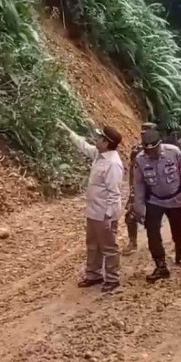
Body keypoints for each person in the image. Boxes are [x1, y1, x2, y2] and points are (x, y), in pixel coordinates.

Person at [59, 121, 124, 293]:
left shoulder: (112, 164)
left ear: (106, 142)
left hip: (104, 213)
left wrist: (110, 216)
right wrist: (68, 130)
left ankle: (112, 278)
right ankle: (94, 275)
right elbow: (84, 146)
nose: (96, 139)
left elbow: (115, 193)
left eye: (100, 137)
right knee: (93, 245)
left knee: (109, 247)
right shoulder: (99, 154)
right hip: (94, 211)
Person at [134, 129, 181, 281]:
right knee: (152, 231)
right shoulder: (140, 159)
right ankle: (160, 265)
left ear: (159, 145)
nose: (150, 153)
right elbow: (139, 184)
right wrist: (139, 205)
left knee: (178, 229)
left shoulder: (173, 152)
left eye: (153, 149)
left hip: (175, 199)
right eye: (147, 150)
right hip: (154, 199)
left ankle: (179, 249)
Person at [123, 122, 158, 256]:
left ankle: (155, 243)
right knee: (130, 215)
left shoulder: (161, 149)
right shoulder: (136, 150)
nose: (143, 134)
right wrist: (132, 189)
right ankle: (132, 241)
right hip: (139, 187)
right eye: (142, 132)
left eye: (147, 132)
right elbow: (133, 170)